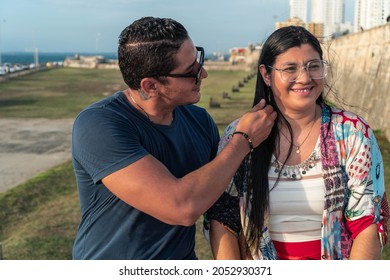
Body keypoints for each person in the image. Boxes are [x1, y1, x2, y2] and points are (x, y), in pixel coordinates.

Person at [71, 16, 277, 260]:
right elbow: (181, 206)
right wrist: (243, 140)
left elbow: (222, 205)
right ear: (150, 86)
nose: (204, 73)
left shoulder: (200, 121)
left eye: (198, 59)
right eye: (190, 72)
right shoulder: (99, 125)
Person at [204, 26, 389, 260]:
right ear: (266, 74)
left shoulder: (351, 132)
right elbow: (223, 219)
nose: (304, 78)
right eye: (290, 68)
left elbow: (368, 221)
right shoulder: (240, 135)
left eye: (314, 66)